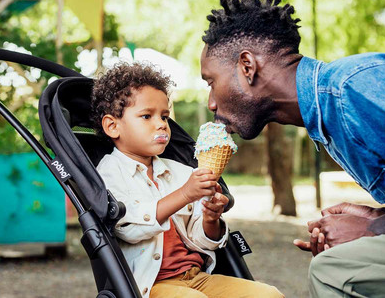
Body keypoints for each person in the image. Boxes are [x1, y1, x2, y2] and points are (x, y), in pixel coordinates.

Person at [200, 0, 385, 297]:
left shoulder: (352, 89)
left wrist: (371, 231)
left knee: (334, 271)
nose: (212, 102)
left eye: (211, 82)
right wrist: (380, 217)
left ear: (247, 66)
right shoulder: (329, 117)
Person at [91, 62, 284, 298]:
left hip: (196, 277)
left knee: (268, 295)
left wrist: (211, 220)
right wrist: (184, 194)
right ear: (112, 126)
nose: (161, 123)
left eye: (164, 116)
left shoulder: (181, 172)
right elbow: (127, 228)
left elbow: (202, 242)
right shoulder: (109, 174)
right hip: (151, 285)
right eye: (146, 116)